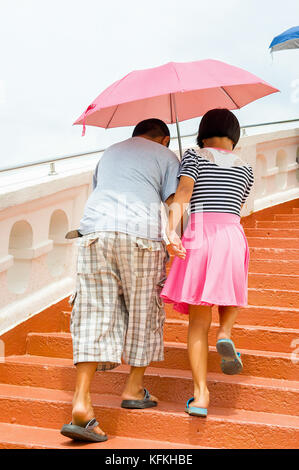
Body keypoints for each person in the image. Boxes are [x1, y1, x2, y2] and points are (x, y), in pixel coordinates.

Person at [61, 119, 180, 442]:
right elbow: (174, 202)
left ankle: (82, 403)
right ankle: (132, 388)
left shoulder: (110, 152)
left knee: (92, 313)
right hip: (141, 235)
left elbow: (100, 190)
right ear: (164, 138)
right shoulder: (167, 156)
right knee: (145, 311)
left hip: (95, 232)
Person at [161, 108, 254, 417]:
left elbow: (184, 195)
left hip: (201, 234)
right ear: (234, 136)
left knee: (198, 325)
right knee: (230, 292)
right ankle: (226, 333)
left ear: (203, 131)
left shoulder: (194, 156)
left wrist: (170, 232)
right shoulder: (246, 168)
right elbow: (236, 205)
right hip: (231, 234)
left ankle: (201, 396)